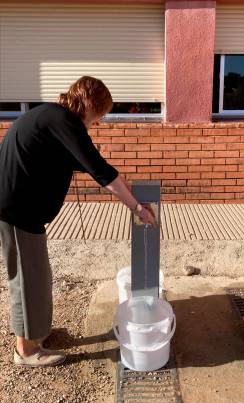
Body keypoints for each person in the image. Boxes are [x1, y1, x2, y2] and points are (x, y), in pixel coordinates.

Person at [0, 76, 157, 367]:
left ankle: (35, 335)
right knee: (27, 279)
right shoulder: (64, 121)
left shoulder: (53, 118)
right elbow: (101, 172)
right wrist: (137, 207)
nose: (97, 123)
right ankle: (26, 350)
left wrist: (126, 187)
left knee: (38, 275)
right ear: (90, 104)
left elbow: (94, 164)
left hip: (22, 210)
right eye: (99, 115)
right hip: (16, 210)